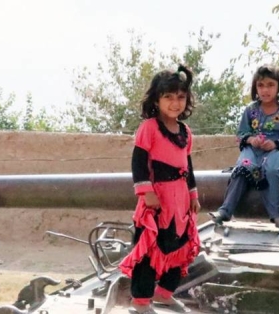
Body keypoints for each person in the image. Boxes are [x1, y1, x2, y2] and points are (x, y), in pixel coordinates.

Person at [119, 64, 201, 314]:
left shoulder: (185, 132)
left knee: (179, 248)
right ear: (157, 99)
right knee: (149, 251)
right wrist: (147, 192)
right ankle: (141, 302)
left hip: (180, 203)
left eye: (180, 97)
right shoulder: (149, 128)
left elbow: (187, 165)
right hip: (157, 200)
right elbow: (138, 162)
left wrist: (193, 194)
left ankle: (164, 294)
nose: (175, 103)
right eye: (168, 97)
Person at [209, 64, 279, 234]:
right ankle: (225, 211)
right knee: (243, 168)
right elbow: (241, 133)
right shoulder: (250, 111)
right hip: (252, 150)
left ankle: (277, 217)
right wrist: (251, 139)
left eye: (271, 85)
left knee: (271, 170)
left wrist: (275, 144)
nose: (265, 90)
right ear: (255, 87)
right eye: (261, 85)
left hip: (274, 152)